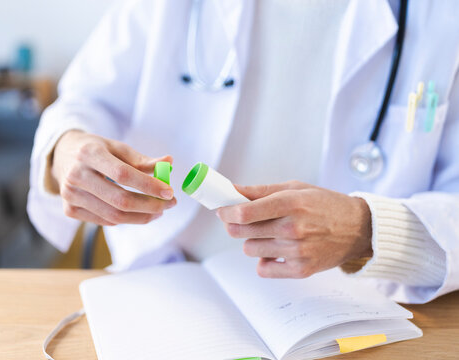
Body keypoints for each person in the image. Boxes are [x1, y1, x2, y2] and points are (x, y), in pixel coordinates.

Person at [28, 0, 459, 304]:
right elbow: (81, 104)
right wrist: (66, 149)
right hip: (173, 290)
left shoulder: (443, 17)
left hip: (363, 306)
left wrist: (366, 230)